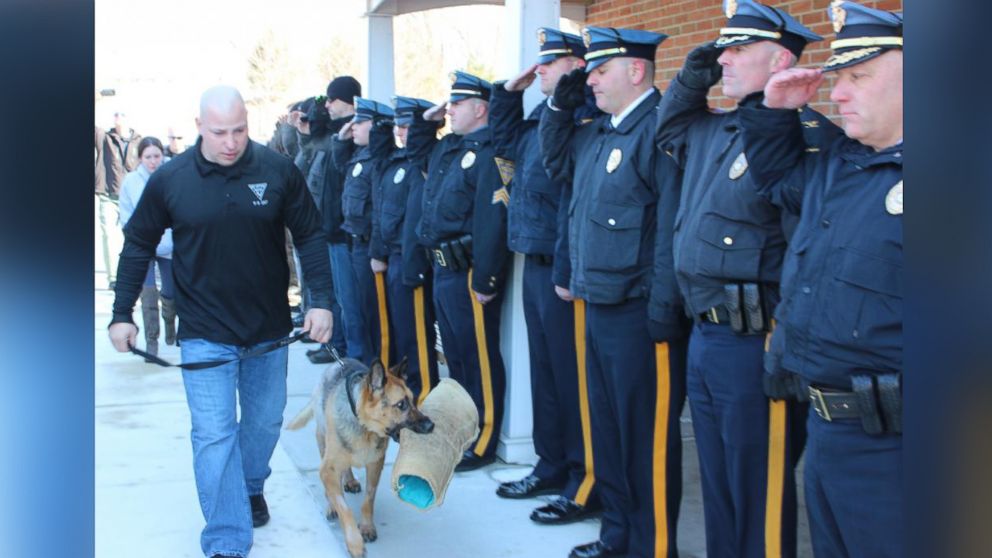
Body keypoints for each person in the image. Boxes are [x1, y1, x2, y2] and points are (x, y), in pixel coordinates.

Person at [107, 85, 334, 558]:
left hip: (268, 331)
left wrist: (322, 302)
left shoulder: (276, 170)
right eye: (218, 133)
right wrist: (122, 313)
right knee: (213, 434)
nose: (230, 142)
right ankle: (227, 540)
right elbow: (138, 245)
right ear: (198, 128)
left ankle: (250, 485)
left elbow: (311, 235)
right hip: (204, 333)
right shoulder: (171, 179)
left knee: (265, 423)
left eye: (239, 130)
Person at [653, 2, 834, 556]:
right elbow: (670, 126)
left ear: (780, 59)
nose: (724, 59)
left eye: (737, 50)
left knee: (759, 487)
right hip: (706, 334)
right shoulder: (716, 129)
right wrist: (696, 71)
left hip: (759, 340)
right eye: (721, 49)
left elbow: (807, 255)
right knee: (719, 484)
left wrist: (786, 347)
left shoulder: (805, 139)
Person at [738, 3, 903, 557]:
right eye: (839, 78)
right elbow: (780, 180)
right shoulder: (845, 163)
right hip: (830, 430)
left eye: (859, 76)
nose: (839, 93)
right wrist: (774, 112)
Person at [539, 27, 688, 558]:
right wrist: (561, 103)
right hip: (598, 305)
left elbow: (671, 229)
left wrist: (664, 311)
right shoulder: (599, 132)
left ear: (636, 71)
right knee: (609, 432)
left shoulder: (660, 130)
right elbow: (553, 161)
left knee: (645, 440)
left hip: (639, 311)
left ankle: (653, 546)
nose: (591, 79)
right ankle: (618, 536)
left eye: (601, 70)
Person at [489, 27, 602, 526]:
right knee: (546, 376)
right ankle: (551, 464)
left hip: (563, 267)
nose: (541, 72)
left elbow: (572, 202)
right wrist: (506, 94)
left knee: (573, 379)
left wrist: (565, 267)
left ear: (577, 67)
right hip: (534, 260)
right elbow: (502, 146)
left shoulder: (583, 119)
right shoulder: (541, 118)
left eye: (550, 64)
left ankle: (582, 479)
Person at [418, 71, 510, 472]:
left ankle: (485, 438)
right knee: (455, 358)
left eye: (457, 104)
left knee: (479, 359)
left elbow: (493, 219)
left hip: (469, 272)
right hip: (442, 270)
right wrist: (431, 119)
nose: (450, 110)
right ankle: (460, 429)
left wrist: (486, 278)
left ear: (481, 108)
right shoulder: (450, 148)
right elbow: (421, 147)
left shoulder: (491, 151)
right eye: (449, 104)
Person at [368, 95, 441, 402]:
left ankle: (423, 397)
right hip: (395, 259)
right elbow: (383, 208)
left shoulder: (427, 164)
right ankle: (400, 395)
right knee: (398, 335)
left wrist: (413, 267)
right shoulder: (397, 163)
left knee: (417, 340)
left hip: (413, 263)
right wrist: (379, 252)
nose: (399, 131)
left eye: (406, 125)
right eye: (396, 125)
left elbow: (416, 222)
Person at [308, 76, 371, 366]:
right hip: (331, 230)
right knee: (342, 302)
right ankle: (341, 350)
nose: (327, 105)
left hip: (347, 235)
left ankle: (355, 361)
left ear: (349, 100)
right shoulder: (335, 137)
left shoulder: (357, 140)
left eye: (332, 99)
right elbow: (312, 138)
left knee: (353, 305)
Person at [331, 97, 396, 366]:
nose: (353, 126)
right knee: (360, 310)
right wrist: (341, 140)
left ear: (378, 125)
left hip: (371, 246)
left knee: (375, 314)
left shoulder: (381, 159)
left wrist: (376, 250)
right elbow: (340, 167)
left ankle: (377, 369)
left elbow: (380, 209)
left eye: (360, 122)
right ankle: (368, 368)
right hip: (357, 244)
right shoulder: (360, 155)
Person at [118, 136, 176, 359]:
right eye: (148, 157)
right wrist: (133, 237)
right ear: (140, 158)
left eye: (157, 156)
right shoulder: (131, 181)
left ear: (163, 156)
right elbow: (126, 213)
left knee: (170, 293)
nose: (153, 161)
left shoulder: (171, 177)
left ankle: (170, 324)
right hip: (143, 247)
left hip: (168, 246)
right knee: (148, 294)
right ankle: (152, 343)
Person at [96, 110, 143, 288]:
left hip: (131, 197)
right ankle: (113, 278)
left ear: (128, 118)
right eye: (115, 114)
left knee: (132, 236)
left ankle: (131, 273)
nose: (117, 118)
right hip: (109, 194)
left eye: (121, 114)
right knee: (108, 235)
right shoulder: (104, 137)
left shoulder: (138, 140)